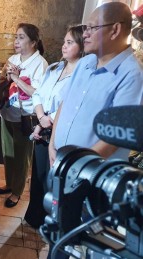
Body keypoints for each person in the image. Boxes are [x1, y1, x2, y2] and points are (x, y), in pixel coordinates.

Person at [49, 2, 143, 165]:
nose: (85, 34)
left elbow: (116, 136)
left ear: (115, 30)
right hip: (60, 162)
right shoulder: (85, 63)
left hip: (91, 172)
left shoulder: (132, 75)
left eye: (92, 28)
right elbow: (65, 103)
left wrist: (76, 165)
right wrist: (52, 144)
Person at [24, 25, 84, 229]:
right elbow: (38, 93)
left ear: (82, 45)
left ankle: (53, 223)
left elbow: (70, 104)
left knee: (55, 180)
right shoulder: (55, 68)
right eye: (64, 41)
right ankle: (35, 218)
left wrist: (48, 119)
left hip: (62, 133)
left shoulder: (84, 75)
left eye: (70, 42)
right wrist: (41, 116)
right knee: (39, 177)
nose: (64, 46)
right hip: (43, 128)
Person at [0, 23, 48, 208]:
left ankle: (17, 191)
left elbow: (38, 93)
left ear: (33, 42)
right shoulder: (12, 59)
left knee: (22, 156)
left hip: (26, 117)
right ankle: (10, 184)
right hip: (8, 112)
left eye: (21, 37)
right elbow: (2, 82)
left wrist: (16, 78)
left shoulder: (40, 64)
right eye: (16, 37)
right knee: (8, 153)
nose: (16, 41)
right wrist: (7, 77)